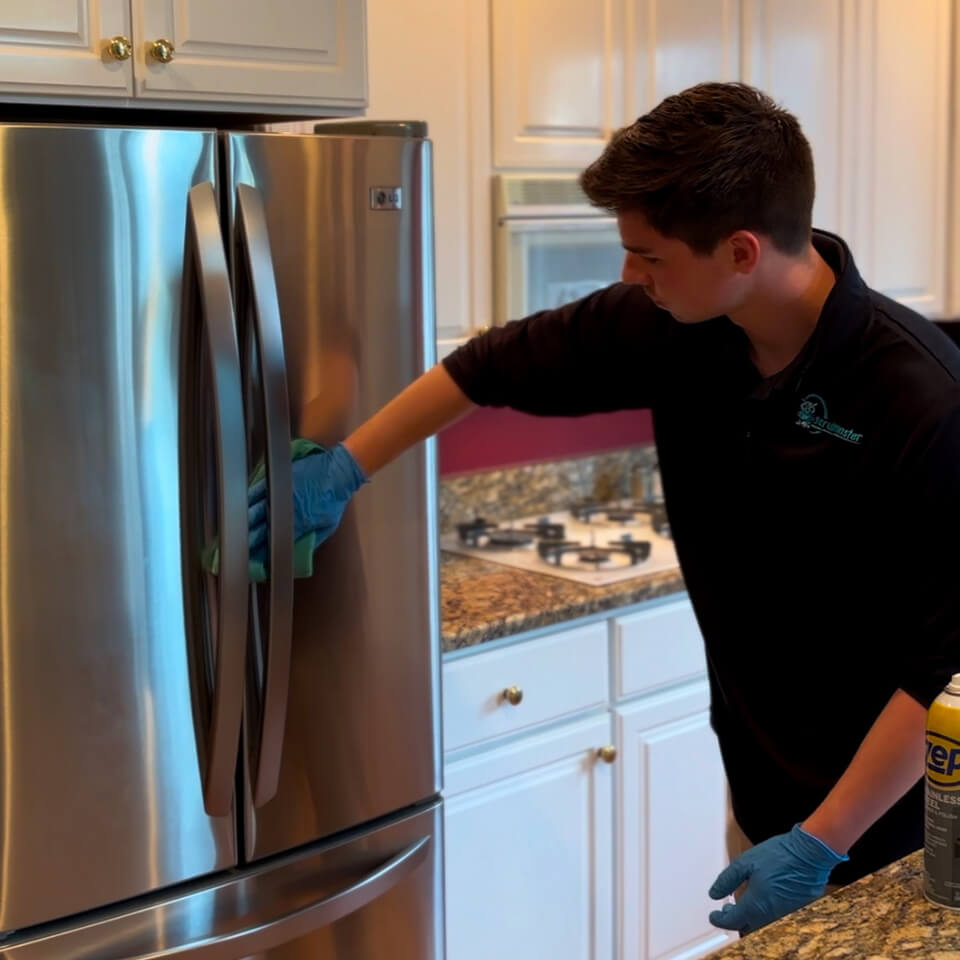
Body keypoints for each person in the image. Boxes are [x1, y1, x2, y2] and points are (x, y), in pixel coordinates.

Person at [247, 82, 960, 936]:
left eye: (650, 256)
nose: (630, 275)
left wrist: (822, 840)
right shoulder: (676, 325)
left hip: (910, 822)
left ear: (739, 252)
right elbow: (491, 364)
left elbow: (943, 669)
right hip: (766, 789)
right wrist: (345, 468)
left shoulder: (921, 396)